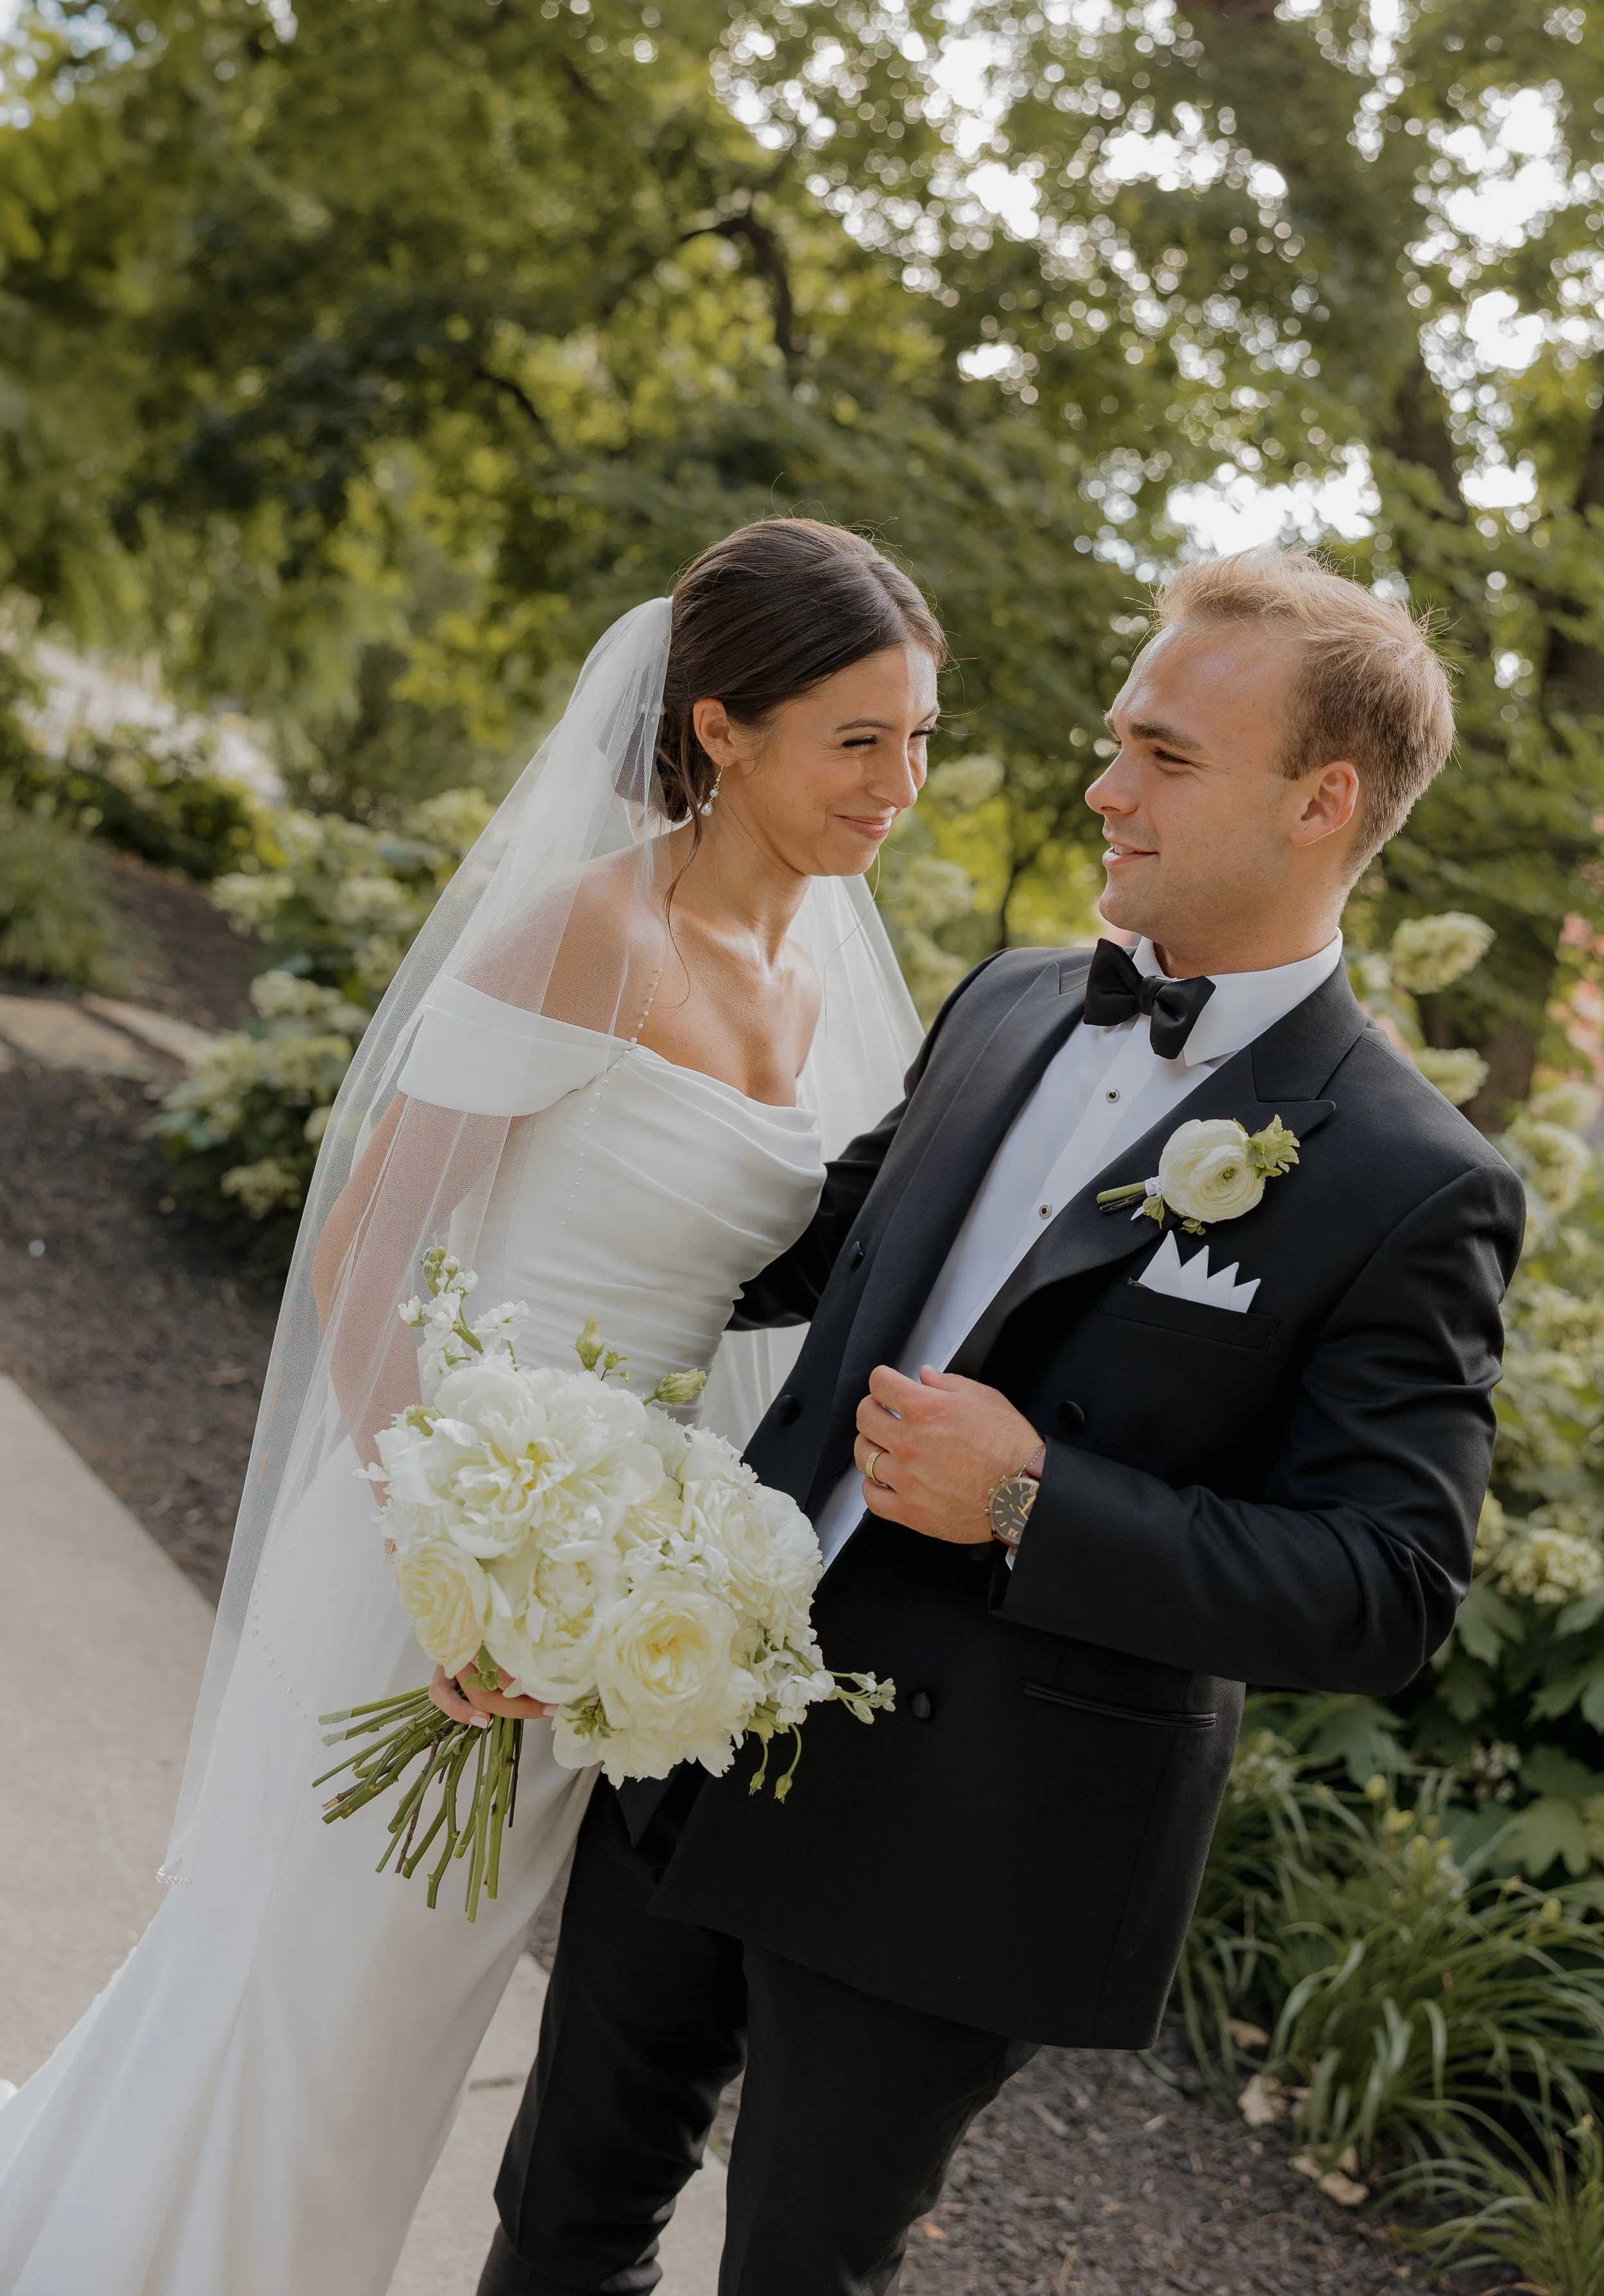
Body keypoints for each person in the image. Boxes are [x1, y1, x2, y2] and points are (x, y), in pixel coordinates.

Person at [480, 547, 1526, 2296]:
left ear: (1321, 800)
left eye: (1165, 756)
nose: (1104, 784)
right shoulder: (1017, 997)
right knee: (553, 2225)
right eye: (1117, 737)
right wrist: (512, 1264)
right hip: (700, 1711)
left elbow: (1384, 1583)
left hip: (960, 1833)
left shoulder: (1413, 1182)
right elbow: (793, 1251)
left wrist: (1040, 1497)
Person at [0, 518, 940, 2296]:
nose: (898, 783)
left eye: (917, 739)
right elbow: (369, 1253)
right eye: (858, 738)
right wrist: (454, 1573)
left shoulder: (823, 982)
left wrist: (659, 1583)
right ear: (723, 727)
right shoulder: (587, 930)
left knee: (399, 2035)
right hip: (421, 1553)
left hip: (597, 1592)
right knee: (303, 1989)